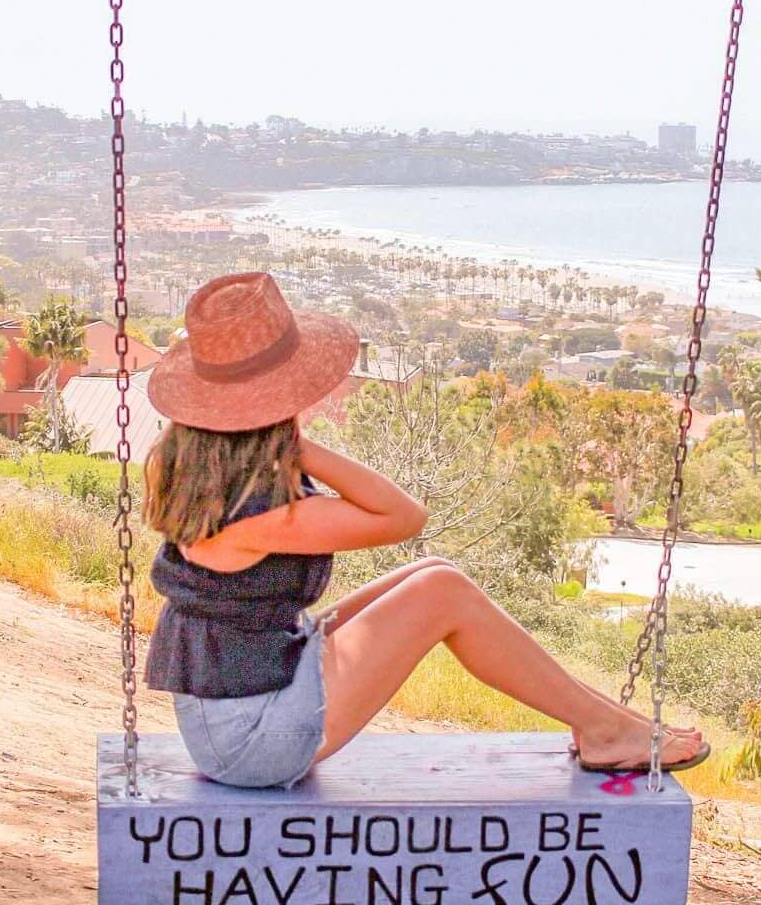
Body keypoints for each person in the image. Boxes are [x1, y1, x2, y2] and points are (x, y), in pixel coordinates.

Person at [143, 272, 709, 791]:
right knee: (441, 595)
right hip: (253, 743)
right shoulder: (263, 518)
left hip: (238, 705)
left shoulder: (190, 474)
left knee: (434, 574)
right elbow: (404, 517)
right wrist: (301, 450)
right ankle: (606, 732)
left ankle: (613, 724)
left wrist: (269, 442)